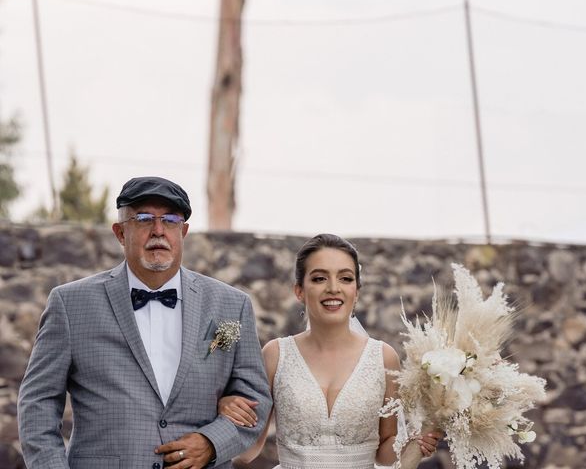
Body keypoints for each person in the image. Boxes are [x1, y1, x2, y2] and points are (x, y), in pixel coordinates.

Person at [18, 176, 272, 469]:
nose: (158, 231)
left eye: (171, 220)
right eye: (143, 219)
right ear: (120, 232)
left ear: (184, 231)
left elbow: (255, 398)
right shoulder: (70, 303)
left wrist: (212, 443)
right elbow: (37, 402)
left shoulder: (231, 304)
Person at [218, 234, 441, 468]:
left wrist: (412, 445)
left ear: (357, 291)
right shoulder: (275, 354)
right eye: (319, 278)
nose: (333, 288)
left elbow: (384, 450)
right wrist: (225, 412)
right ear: (299, 291)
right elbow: (249, 449)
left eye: (345, 278)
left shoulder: (384, 357)